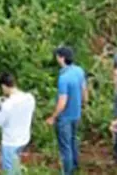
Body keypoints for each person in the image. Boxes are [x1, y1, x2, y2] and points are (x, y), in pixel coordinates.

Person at [46, 46, 88, 175]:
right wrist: (84, 103)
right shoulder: (79, 70)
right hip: (76, 114)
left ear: (62, 58)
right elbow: (84, 90)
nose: (57, 59)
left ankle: (67, 172)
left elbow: (62, 102)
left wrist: (53, 117)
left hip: (65, 117)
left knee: (65, 147)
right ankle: (75, 165)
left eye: (58, 56)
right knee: (73, 140)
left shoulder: (63, 78)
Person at [0, 73, 36, 173]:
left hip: (10, 141)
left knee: (9, 170)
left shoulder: (7, 105)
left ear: (3, 86)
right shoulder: (29, 98)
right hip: (23, 139)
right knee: (16, 165)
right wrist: (3, 100)